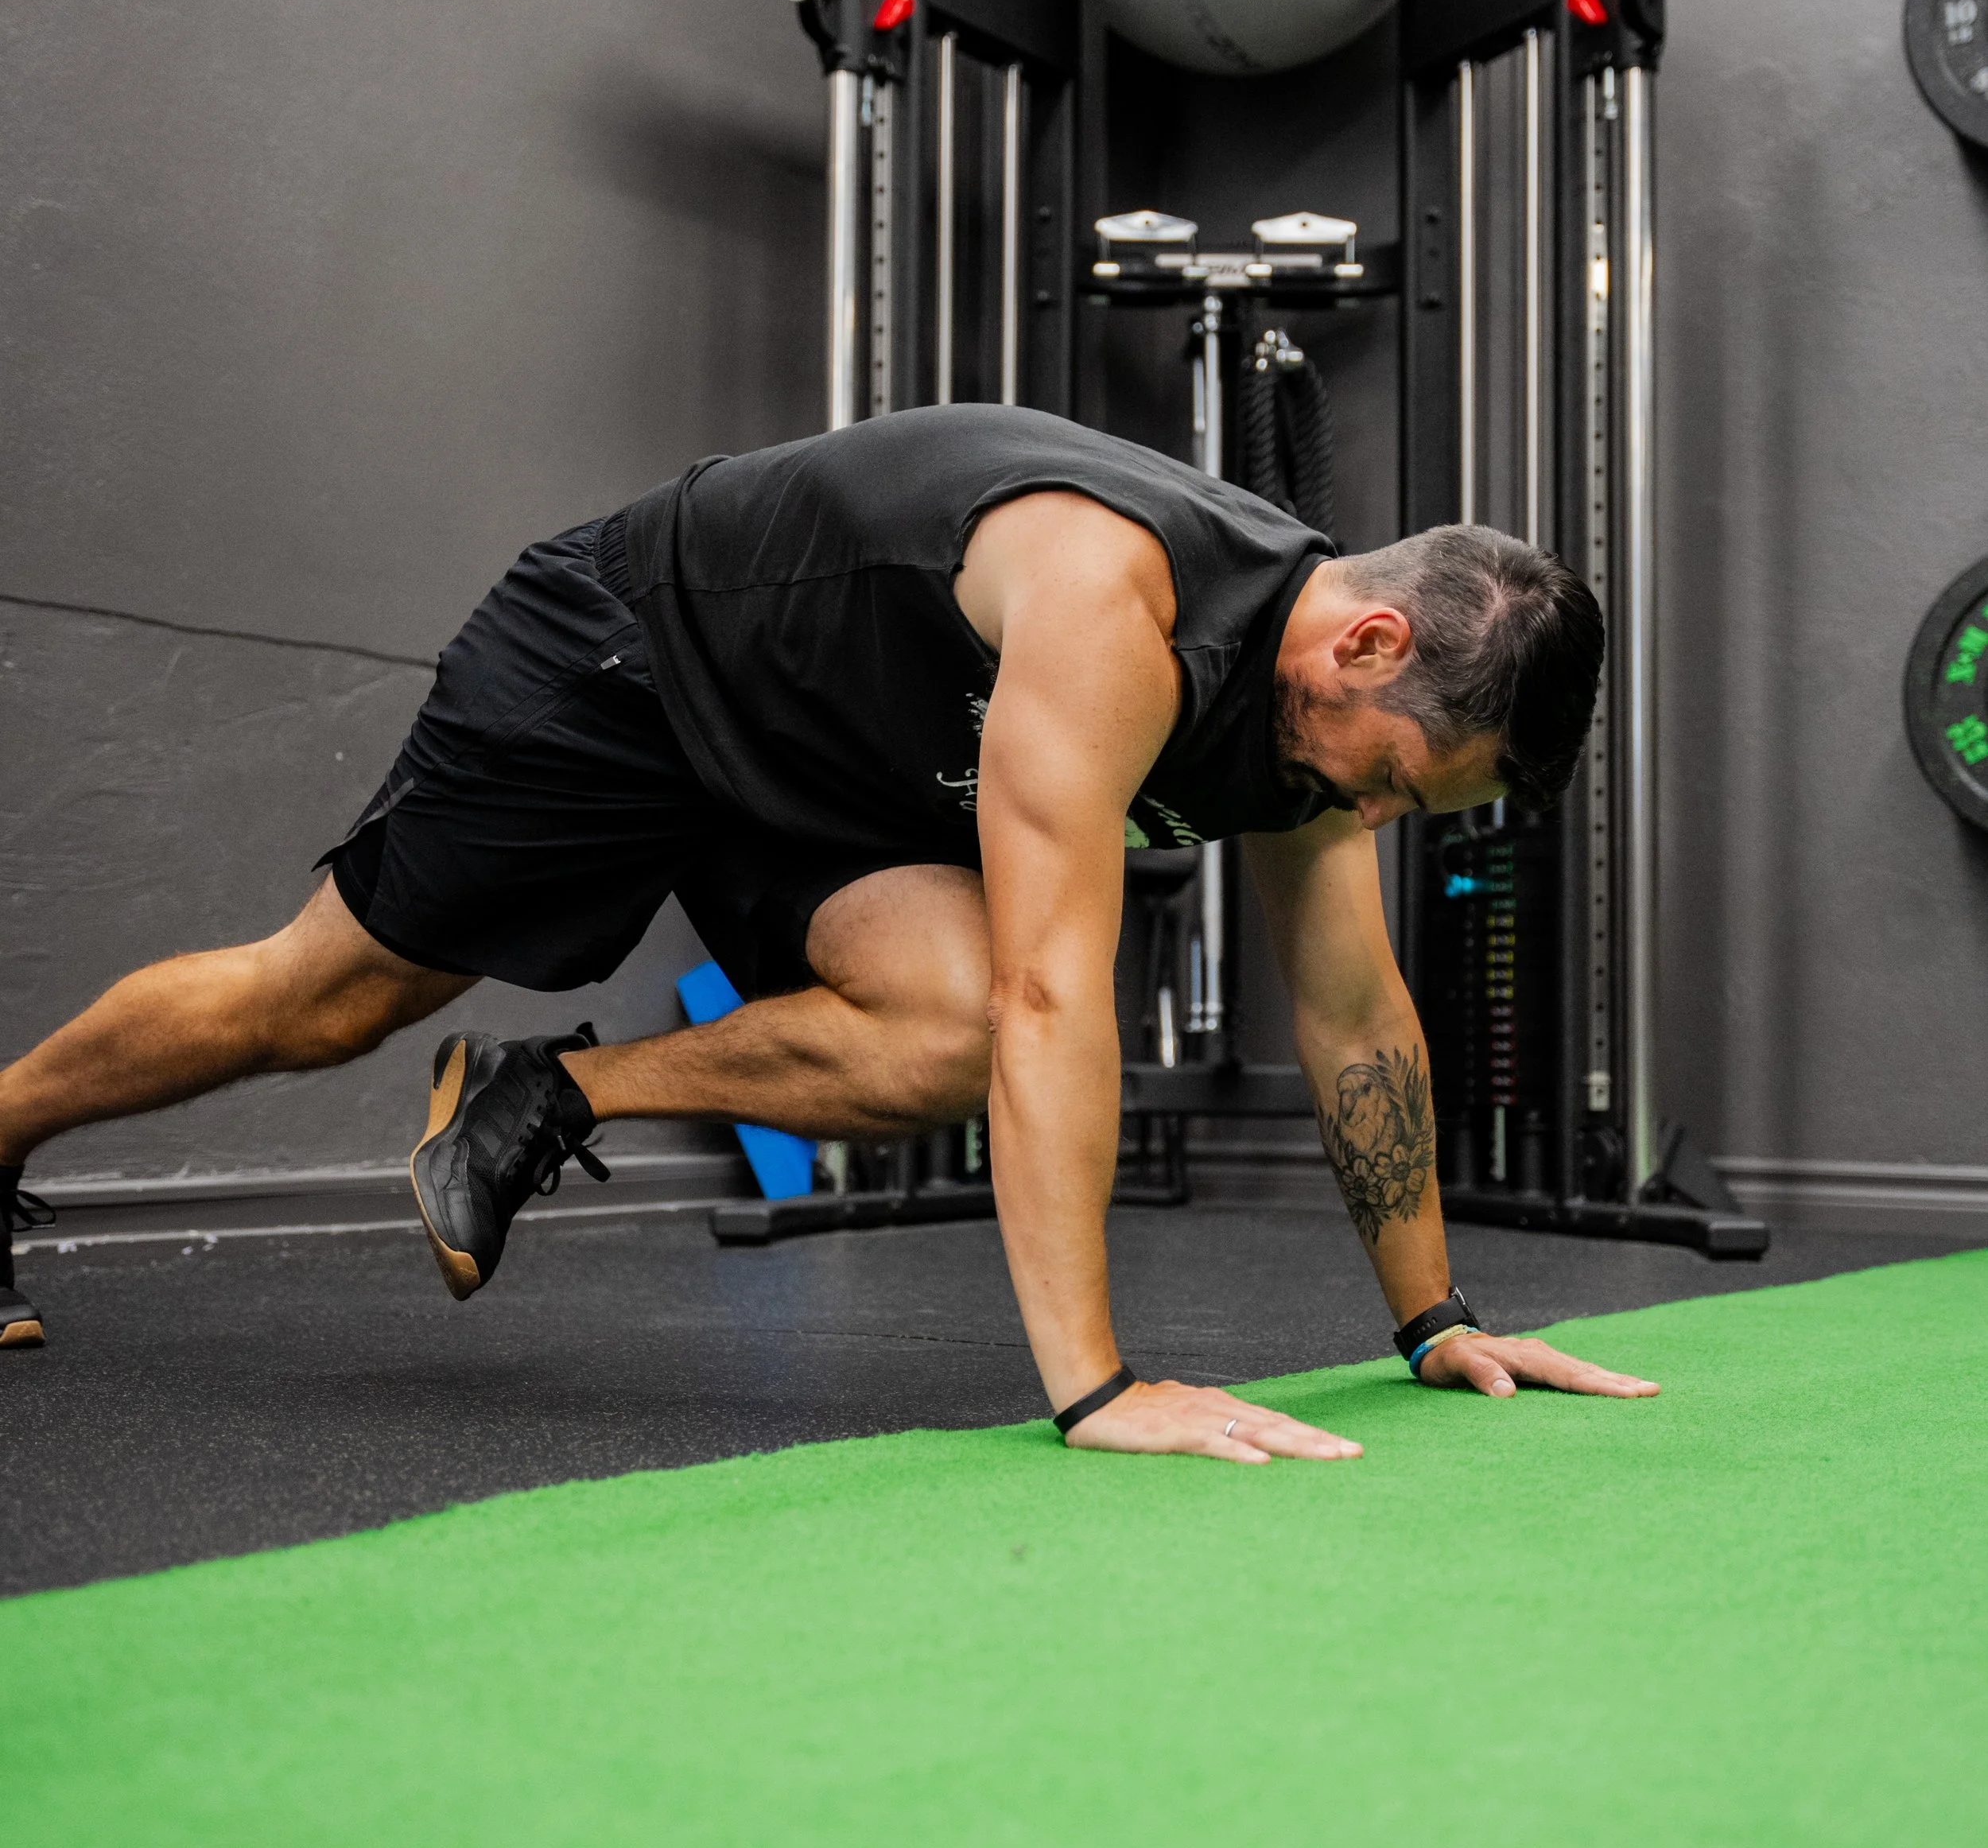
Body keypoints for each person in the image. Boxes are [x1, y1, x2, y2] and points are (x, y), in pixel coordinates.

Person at [0, 406, 1657, 1450]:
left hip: (825, 779)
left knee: (933, 1035)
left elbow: (1356, 1019)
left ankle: (548, 1093)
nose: (1372, 818)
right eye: (1396, 785)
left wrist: (1429, 1320)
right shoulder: (1114, 598)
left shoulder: (1302, 741)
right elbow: (1048, 995)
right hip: (633, 661)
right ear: (1368, 644)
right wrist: (1095, 1388)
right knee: (323, 1000)